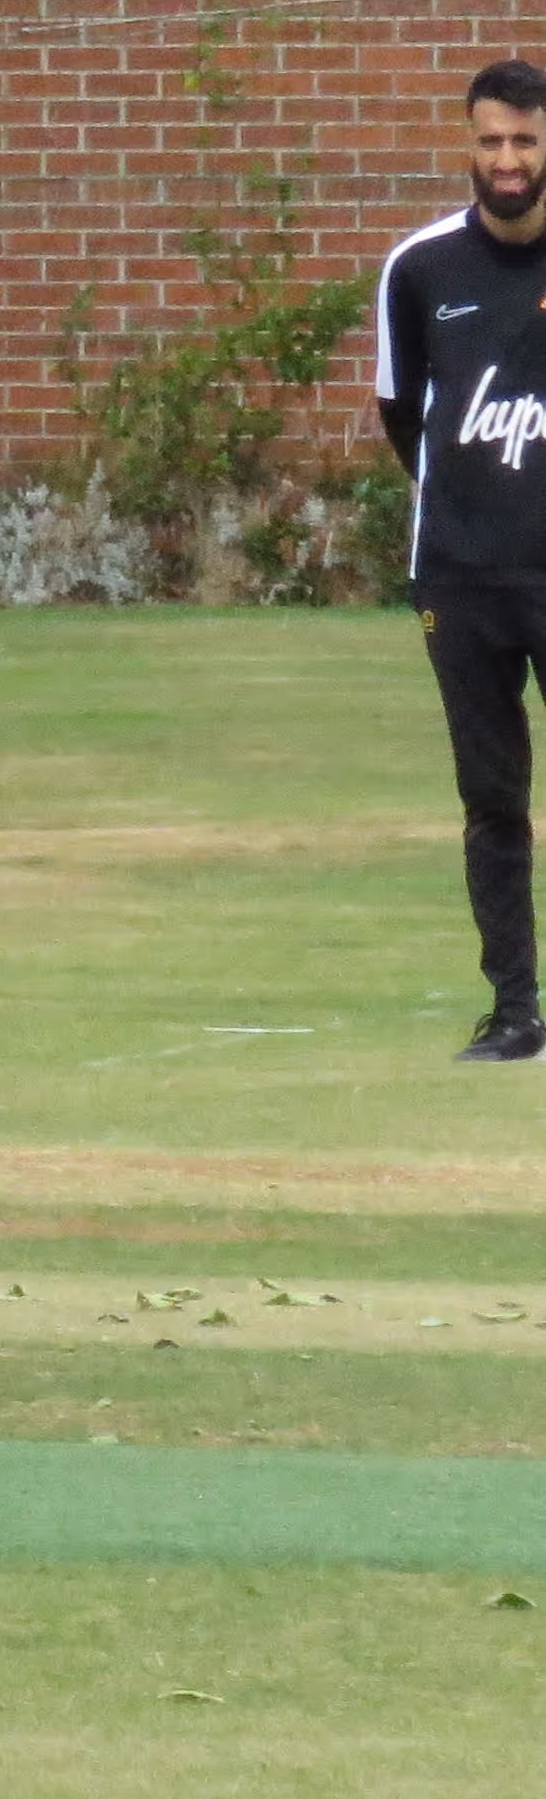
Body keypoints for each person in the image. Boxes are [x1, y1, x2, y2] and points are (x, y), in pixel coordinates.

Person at [378, 57, 546, 1061]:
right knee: (490, 801)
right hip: (460, 577)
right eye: (488, 140)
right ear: (466, 144)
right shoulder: (419, 269)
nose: (506, 160)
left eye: (523, 140)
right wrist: (471, 508)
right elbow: (403, 416)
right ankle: (514, 1008)